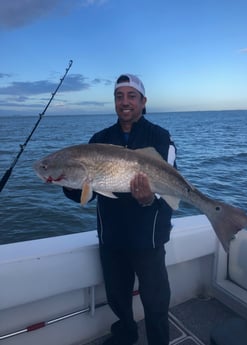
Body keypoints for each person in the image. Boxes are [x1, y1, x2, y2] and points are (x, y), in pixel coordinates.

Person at [63, 74, 176, 345]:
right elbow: (87, 195)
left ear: (143, 101)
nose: (124, 102)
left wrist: (148, 198)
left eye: (131, 96)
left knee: (156, 301)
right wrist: (65, 181)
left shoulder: (159, 137)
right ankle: (125, 336)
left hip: (148, 238)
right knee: (117, 296)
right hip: (112, 238)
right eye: (119, 96)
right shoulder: (99, 139)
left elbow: (171, 186)